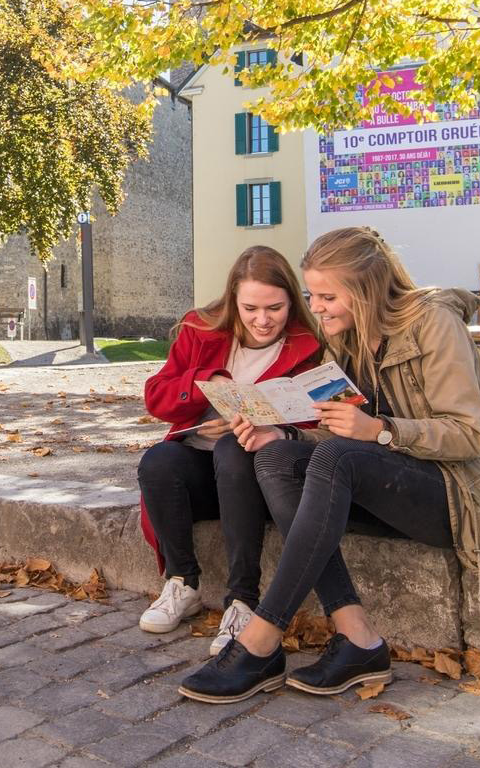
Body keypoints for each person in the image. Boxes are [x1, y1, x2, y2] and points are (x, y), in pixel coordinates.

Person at [179, 226, 480, 703]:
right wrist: (283, 433)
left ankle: (262, 637)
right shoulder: (344, 339)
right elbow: (339, 428)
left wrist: (379, 430)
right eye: (312, 295)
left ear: (365, 291)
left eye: (328, 296)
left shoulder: (434, 323)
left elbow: (468, 433)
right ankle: (358, 638)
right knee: (276, 457)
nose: (316, 308)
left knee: (337, 456)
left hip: (462, 497)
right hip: (389, 484)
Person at [138, 245, 323, 654]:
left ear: (291, 301)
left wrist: (273, 424)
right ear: (233, 300)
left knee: (233, 450)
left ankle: (243, 600)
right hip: (200, 472)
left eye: (274, 308)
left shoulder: (308, 346)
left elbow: (318, 420)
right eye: (250, 308)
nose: (262, 320)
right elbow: (156, 397)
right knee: (157, 461)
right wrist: (207, 381)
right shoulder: (200, 329)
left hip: (257, 477)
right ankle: (181, 583)